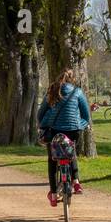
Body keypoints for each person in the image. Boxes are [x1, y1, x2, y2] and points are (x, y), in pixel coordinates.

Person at [39, 69, 91, 205]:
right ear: (72, 79)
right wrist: (80, 125)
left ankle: (54, 195)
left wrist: (42, 126)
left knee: (51, 160)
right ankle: (76, 182)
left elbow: (41, 112)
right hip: (74, 130)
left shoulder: (52, 91)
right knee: (71, 152)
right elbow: (86, 115)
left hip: (54, 131)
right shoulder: (78, 92)